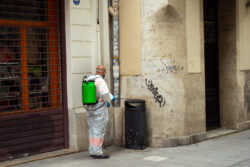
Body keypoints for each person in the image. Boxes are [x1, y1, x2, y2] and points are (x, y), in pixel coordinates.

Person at [85, 65, 115, 159]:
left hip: (90, 109)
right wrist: (110, 100)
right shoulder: (100, 80)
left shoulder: (88, 79)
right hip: (99, 109)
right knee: (99, 130)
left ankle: (92, 150)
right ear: (103, 72)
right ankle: (97, 152)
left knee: (92, 130)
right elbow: (104, 93)